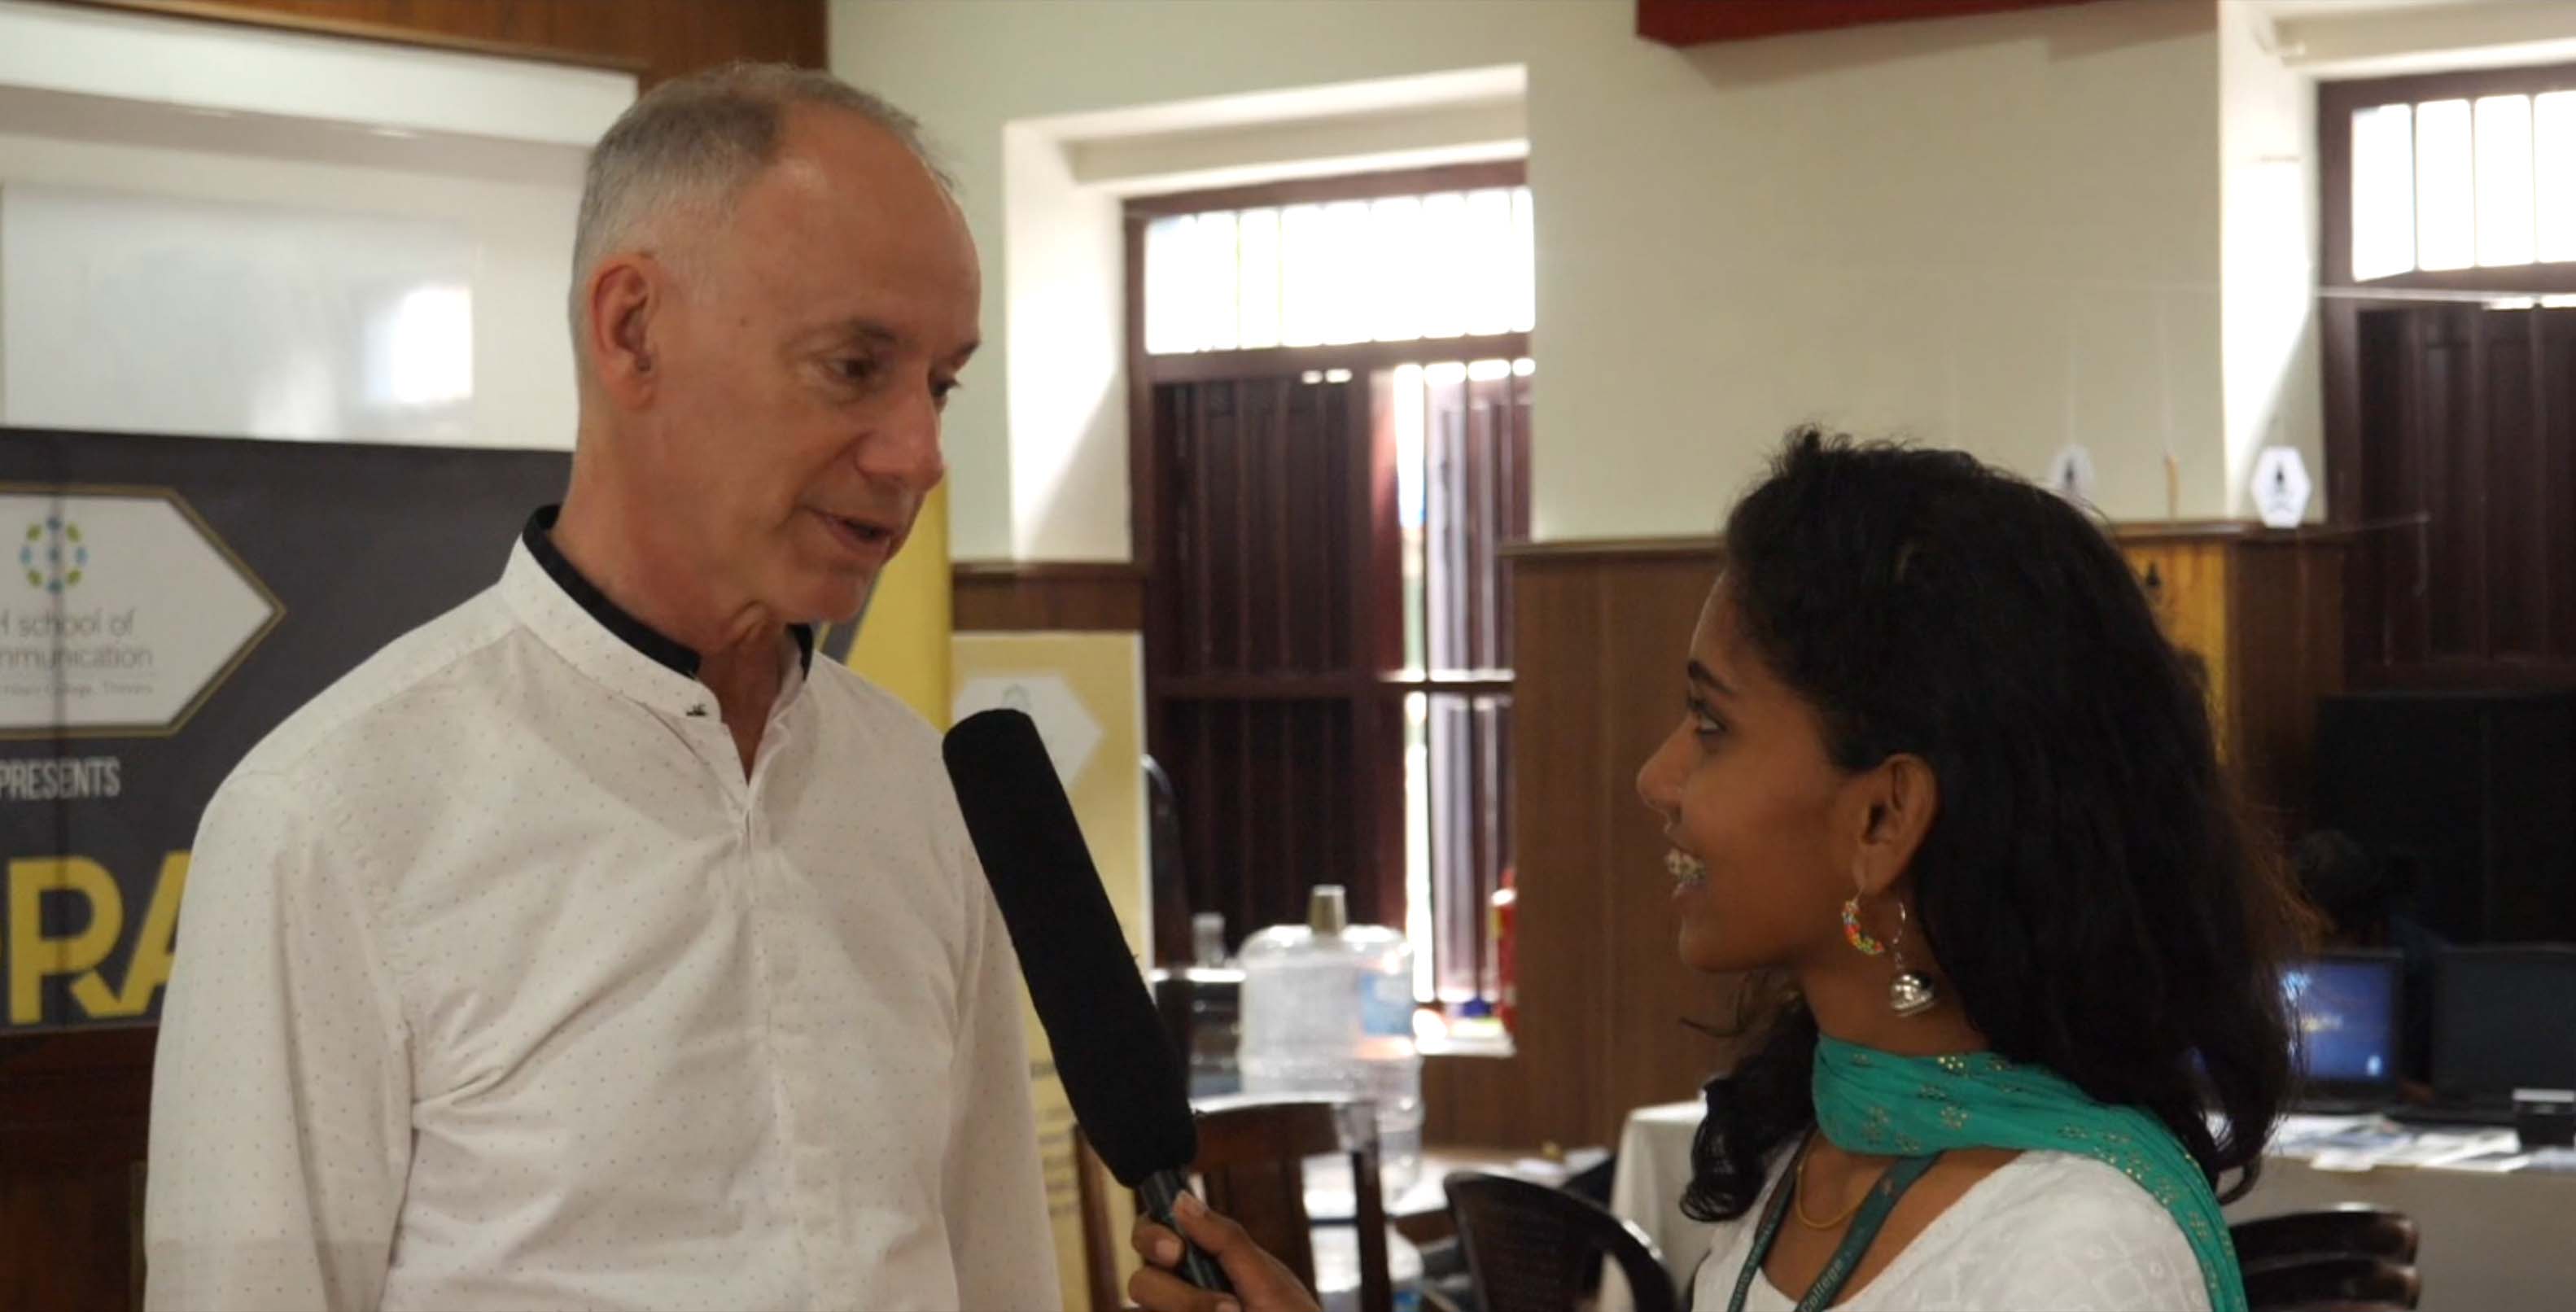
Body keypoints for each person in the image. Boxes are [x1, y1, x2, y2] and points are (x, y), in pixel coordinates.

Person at [145, 64, 1058, 1310]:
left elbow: (996, 1268)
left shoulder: (926, 791)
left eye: (940, 383)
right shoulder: (328, 819)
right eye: (855, 367)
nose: (919, 453)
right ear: (633, 330)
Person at [1131, 431, 2301, 1312]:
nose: (1657, 778)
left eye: (1711, 726)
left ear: (1883, 816)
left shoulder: (2075, 1254)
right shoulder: (1814, 1150)